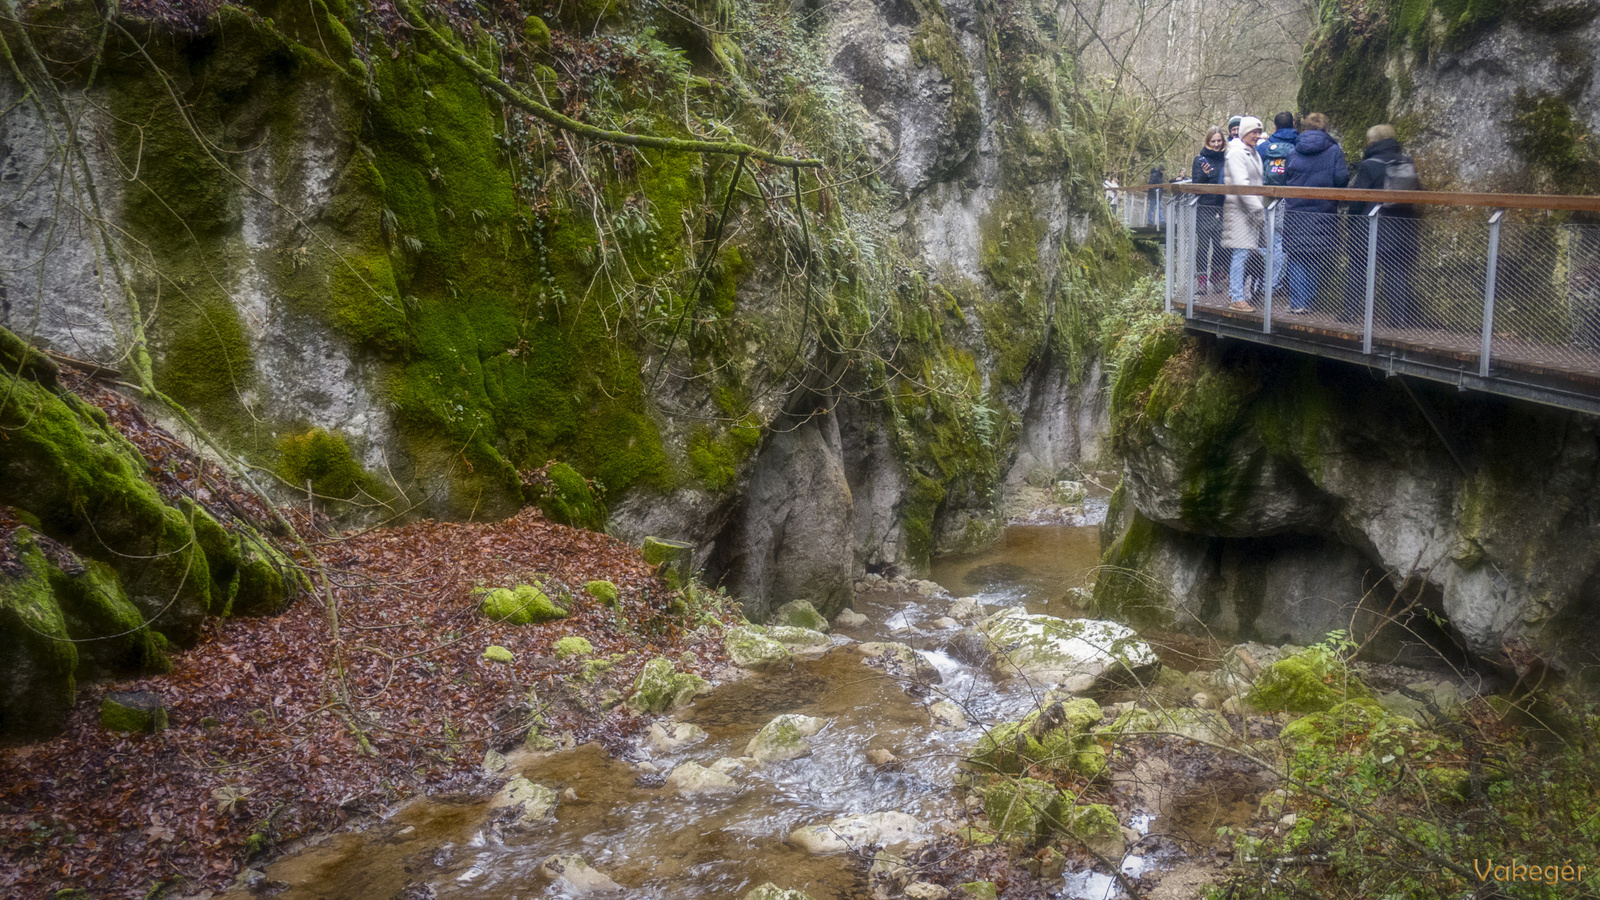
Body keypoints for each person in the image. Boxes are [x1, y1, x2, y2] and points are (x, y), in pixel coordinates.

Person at [1344, 124, 1423, 326]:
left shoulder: (1369, 165)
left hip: (1369, 226)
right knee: (1395, 271)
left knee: (1358, 269)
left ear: (1372, 141)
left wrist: (1351, 220)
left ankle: (1349, 314)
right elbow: (1418, 191)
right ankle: (1398, 319)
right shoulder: (1406, 161)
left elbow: (1356, 199)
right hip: (1401, 226)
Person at [1281, 113, 1346, 315]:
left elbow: (1286, 177)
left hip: (1296, 212)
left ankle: (1297, 302)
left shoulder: (1294, 150)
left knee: (1296, 256)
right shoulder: (1334, 151)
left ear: (1306, 128)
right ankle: (1308, 301)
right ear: (1325, 129)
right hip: (1323, 210)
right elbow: (1341, 177)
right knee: (1315, 256)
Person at [1223, 116, 1266, 311]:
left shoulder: (1252, 152)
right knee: (1240, 253)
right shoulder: (1236, 153)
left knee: (1245, 253)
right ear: (1243, 133)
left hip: (1250, 211)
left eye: (1259, 132)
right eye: (1253, 132)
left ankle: (1239, 294)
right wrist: (1257, 209)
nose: (1257, 135)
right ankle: (1236, 297)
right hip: (1241, 211)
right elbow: (1242, 185)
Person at [1191, 127, 1227, 294]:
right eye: (1213, 141)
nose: (1216, 144)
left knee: (1220, 246)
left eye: (1219, 140)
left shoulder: (1227, 158)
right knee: (1204, 246)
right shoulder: (1200, 159)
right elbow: (1196, 184)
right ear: (1208, 142)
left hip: (1222, 207)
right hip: (1205, 207)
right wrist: (1205, 176)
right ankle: (1202, 282)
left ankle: (1216, 276)